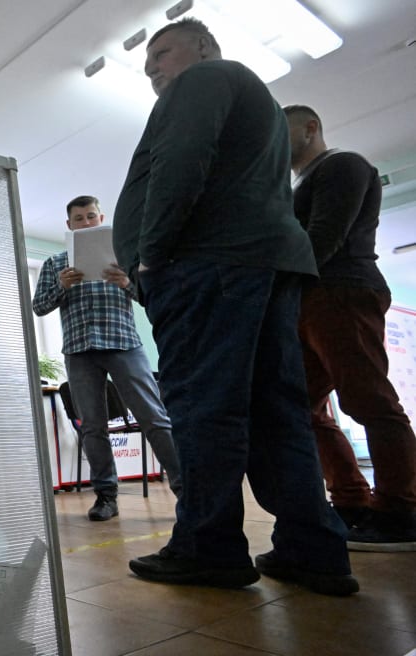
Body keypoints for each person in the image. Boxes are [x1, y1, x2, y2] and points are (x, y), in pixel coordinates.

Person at [113, 18, 357, 596]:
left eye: (162, 54)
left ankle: (209, 547)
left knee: (203, 407)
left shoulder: (208, 77)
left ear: (203, 46)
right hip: (257, 267)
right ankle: (312, 549)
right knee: (277, 412)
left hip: (207, 265)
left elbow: (181, 160)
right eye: (147, 67)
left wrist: (151, 255)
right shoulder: (262, 108)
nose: (153, 71)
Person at [284, 104, 416, 551]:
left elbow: (325, 237)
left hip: (341, 289)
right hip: (308, 299)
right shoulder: (296, 185)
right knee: (301, 408)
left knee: (369, 401)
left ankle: (400, 509)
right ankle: (351, 501)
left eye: (281, 133)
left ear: (311, 127)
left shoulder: (345, 164)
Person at [33, 195, 181, 521]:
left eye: (91, 217)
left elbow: (149, 296)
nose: (86, 223)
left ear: (101, 220)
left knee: (154, 417)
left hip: (124, 344)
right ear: (69, 225)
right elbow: (39, 307)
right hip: (79, 350)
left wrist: (127, 281)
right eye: (79, 219)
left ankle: (187, 491)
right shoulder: (55, 264)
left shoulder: (124, 256)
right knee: (93, 427)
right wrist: (61, 286)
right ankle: (105, 497)